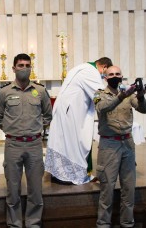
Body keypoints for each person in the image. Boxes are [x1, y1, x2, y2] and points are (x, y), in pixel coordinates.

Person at [0, 53, 52, 228]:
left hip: (34, 145)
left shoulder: (40, 91)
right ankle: (15, 225)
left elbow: (48, 115)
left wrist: (36, 128)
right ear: (13, 68)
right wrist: (12, 130)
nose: (24, 69)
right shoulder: (4, 92)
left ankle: (34, 224)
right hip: (13, 145)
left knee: (35, 190)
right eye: (20, 65)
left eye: (27, 65)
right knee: (13, 190)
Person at [94, 66, 146, 228]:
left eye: (117, 74)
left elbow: (145, 109)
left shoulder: (128, 94)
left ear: (122, 76)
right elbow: (102, 108)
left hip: (127, 144)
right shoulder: (98, 94)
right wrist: (121, 96)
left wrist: (140, 96)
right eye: (110, 74)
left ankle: (127, 223)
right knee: (107, 188)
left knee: (129, 188)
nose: (114, 76)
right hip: (108, 145)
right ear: (105, 77)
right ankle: (103, 224)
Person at [45, 57, 113, 185]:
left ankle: (58, 173)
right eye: (106, 73)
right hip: (72, 112)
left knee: (61, 142)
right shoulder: (91, 72)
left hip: (65, 110)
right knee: (71, 143)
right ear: (104, 67)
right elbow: (100, 95)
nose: (105, 76)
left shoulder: (80, 67)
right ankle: (68, 175)